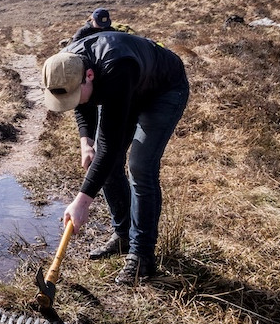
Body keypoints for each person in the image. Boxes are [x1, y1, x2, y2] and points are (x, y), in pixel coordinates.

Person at [41, 32, 189, 285]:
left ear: (89, 76)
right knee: (106, 163)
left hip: (164, 89)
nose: (71, 102)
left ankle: (141, 257)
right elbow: (81, 104)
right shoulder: (66, 65)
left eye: (74, 95)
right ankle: (123, 235)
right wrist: (85, 141)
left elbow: (109, 148)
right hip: (124, 88)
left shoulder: (118, 67)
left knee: (140, 167)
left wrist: (82, 202)